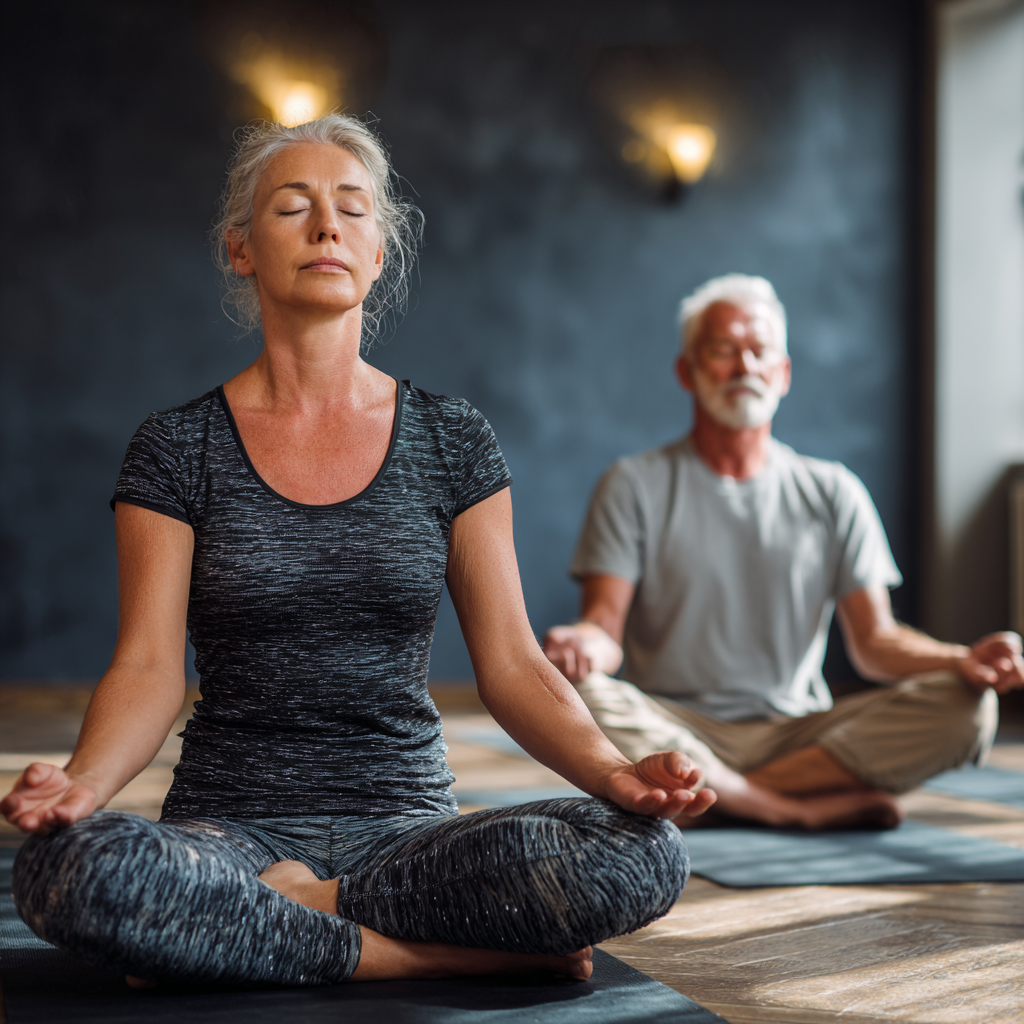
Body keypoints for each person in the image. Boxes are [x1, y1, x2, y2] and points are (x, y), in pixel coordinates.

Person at [1, 115, 717, 989]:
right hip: (232, 828)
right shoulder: (176, 447)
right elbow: (148, 667)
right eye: (292, 207)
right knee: (68, 869)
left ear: (378, 253)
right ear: (240, 249)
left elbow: (513, 664)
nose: (326, 228)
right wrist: (82, 786)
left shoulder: (453, 439)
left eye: (351, 209)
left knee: (645, 853)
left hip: (410, 833)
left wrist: (616, 774)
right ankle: (424, 955)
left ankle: (266, 928)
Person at [544, 273, 1024, 831]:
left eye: (760, 350)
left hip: (801, 733)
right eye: (723, 350)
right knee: (572, 694)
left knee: (969, 704)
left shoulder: (834, 490)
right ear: (687, 371)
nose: (744, 366)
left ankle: (712, 798)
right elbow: (604, 629)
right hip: (673, 728)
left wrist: (961, 660)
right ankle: (787, 808)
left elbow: (876, 644)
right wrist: (580, 647)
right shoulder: (631, 485)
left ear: (784, 373)